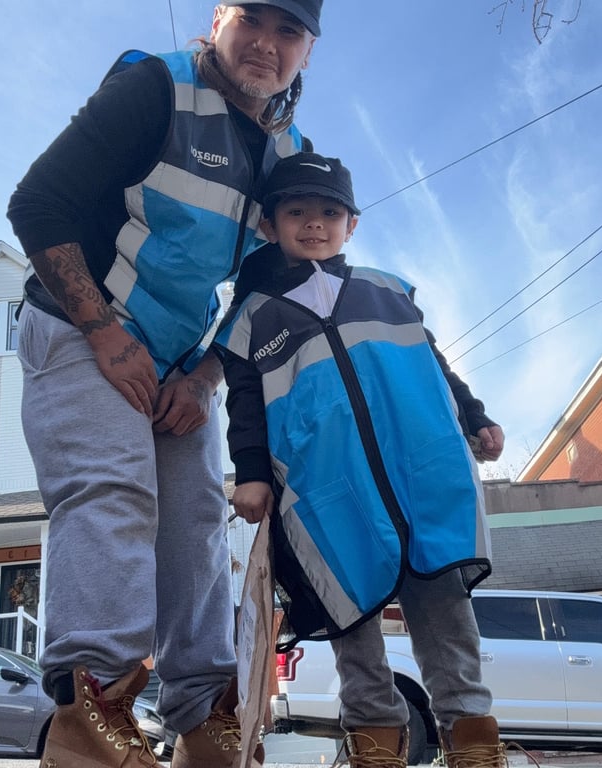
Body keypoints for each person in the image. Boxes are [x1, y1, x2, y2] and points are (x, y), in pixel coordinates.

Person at [6, 3, 322, 766]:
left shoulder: (289, 154)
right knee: (115, 490)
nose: (266, 44)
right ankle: (90, 716)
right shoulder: (155, 88)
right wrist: (103, 332)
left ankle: (203, 720)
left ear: (308, 51)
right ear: (219, 18)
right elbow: (37, 203)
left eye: (289, 32)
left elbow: (269, 282)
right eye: (252, 19)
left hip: (177, 361)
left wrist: (207, 374)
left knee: (195, 523)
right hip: (82, 325)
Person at [213, 153, 507, 768]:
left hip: (420, 478)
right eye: (297, 212)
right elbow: (245, 405)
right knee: (352, 622)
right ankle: (374, 748)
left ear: (352, 224)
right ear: (269, 225)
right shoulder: (251, 320)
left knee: (446, 616)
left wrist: (474, 416)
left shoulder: (389, 289)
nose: (313, 223)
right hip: (331, 493)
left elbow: (436, 365)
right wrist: (253, 473)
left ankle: (475, 747)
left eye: (329, 212)